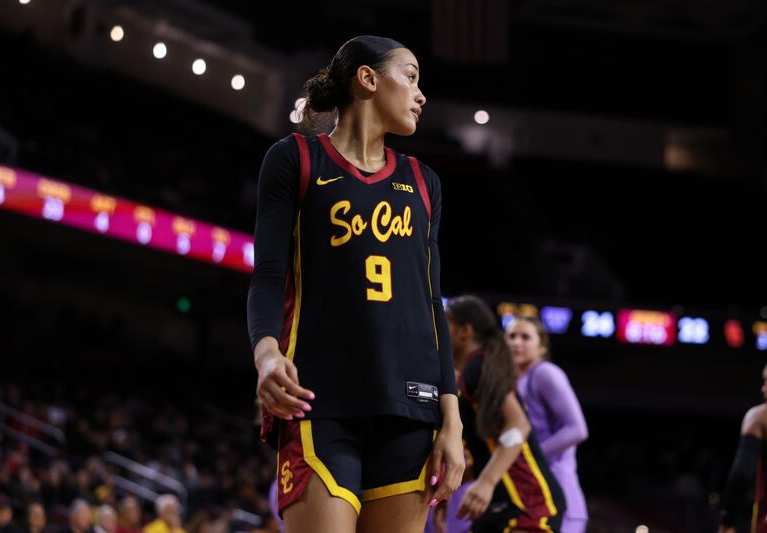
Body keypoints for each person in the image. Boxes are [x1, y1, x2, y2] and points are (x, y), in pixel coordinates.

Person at [246, 35, 464, 533]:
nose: (420, 93)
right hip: (318, 399)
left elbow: (433, 304)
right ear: (367, 78)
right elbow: (268, 274)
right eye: (409, 77)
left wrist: (451, 420)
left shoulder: (424, 181)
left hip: (412, 407)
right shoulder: (294, 159)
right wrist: (265, 354)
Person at [445, 295, 564, 531]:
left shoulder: (479, 368)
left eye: (443, 323)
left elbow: (518, 425)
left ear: (464, 330)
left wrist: (486, 482)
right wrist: (449, 489)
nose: (435, 330)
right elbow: (488, 451)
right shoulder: (471, 371)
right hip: (503, 504)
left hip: (528, 504)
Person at [505, 315, 589, 532]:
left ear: (542, 347)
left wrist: (528, 456)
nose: (516, 342)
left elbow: (577, 429)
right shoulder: (510, 381)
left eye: (525, 337)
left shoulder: (545, 373)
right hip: (533, 495)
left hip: (559, 495)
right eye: (511, 336)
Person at [721, 354, 767, 532]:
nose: (763, 388)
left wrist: (727, 522)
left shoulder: (761, 417)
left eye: (766, 379)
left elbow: (741, 476)